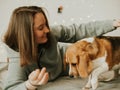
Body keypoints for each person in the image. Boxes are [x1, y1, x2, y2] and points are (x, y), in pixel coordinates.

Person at [2, 6, 120, 90]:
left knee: (107, 71)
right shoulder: (17, 58)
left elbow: (77, 31)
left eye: (46, 25)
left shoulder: (50, 33)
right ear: (26, 34)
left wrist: (112, 23)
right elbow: (11, 87)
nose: (47, 30)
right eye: (41, 28)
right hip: (64, 70)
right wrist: (30, 84)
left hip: (71, 60)